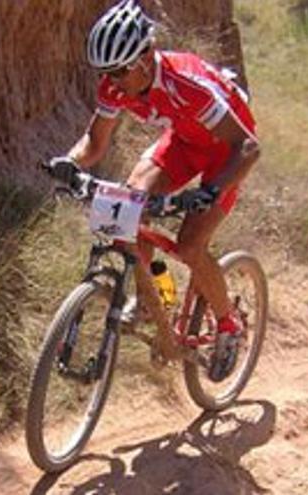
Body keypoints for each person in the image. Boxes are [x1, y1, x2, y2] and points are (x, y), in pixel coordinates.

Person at [57, 0, 259, 381]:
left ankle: (228, 324)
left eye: (118, 71)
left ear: (146, 57)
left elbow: (247, 147)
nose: (112, 82)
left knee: (189, 246)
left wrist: (211, 190)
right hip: (184, 141)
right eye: (104, 73)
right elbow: (94, 142)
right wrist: (70, 162)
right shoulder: (115, 85)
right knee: (130, 207)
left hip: (228, 151)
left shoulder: (187, 86)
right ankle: (158, 297)